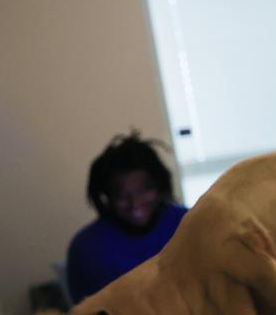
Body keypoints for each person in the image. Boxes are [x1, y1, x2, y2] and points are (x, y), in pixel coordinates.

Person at [67, 130, 188, 304]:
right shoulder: (87, 249)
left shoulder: (187, 223)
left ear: (159, 186)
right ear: (106, 197)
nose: (135, 203)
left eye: (144, 190)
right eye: (122, 196)